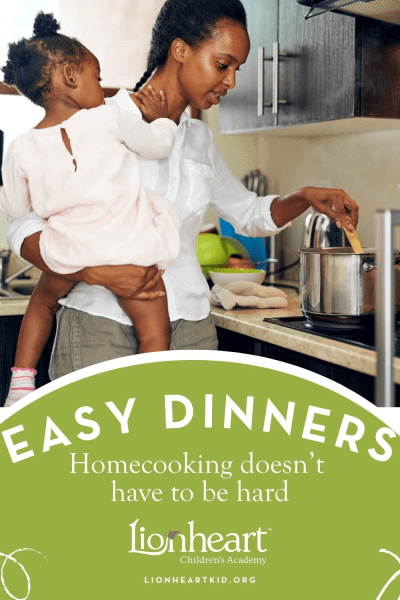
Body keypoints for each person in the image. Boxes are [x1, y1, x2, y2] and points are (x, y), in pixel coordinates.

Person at [4, 0, 359, 386]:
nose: (232, 81)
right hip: (99, 328)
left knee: (189, 450)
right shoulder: (98, 120)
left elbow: (249, 214)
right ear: (180, 50)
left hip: (192, 331)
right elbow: (25, 220)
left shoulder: (199, 139)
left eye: (237, 69)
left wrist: (305, 197)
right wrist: (90, 270)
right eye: (223, 65)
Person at [0, 12, 182, 406]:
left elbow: (16, 210)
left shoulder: (19, 148)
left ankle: (19, 384)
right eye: (96, 77)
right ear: (70, 76)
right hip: (130, 249)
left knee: (43, 301)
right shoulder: (109, 117)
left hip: (69, 251)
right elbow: (157, 146)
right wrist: (163, 121)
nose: (100, 87)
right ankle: (148, 395)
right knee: (154, 330)